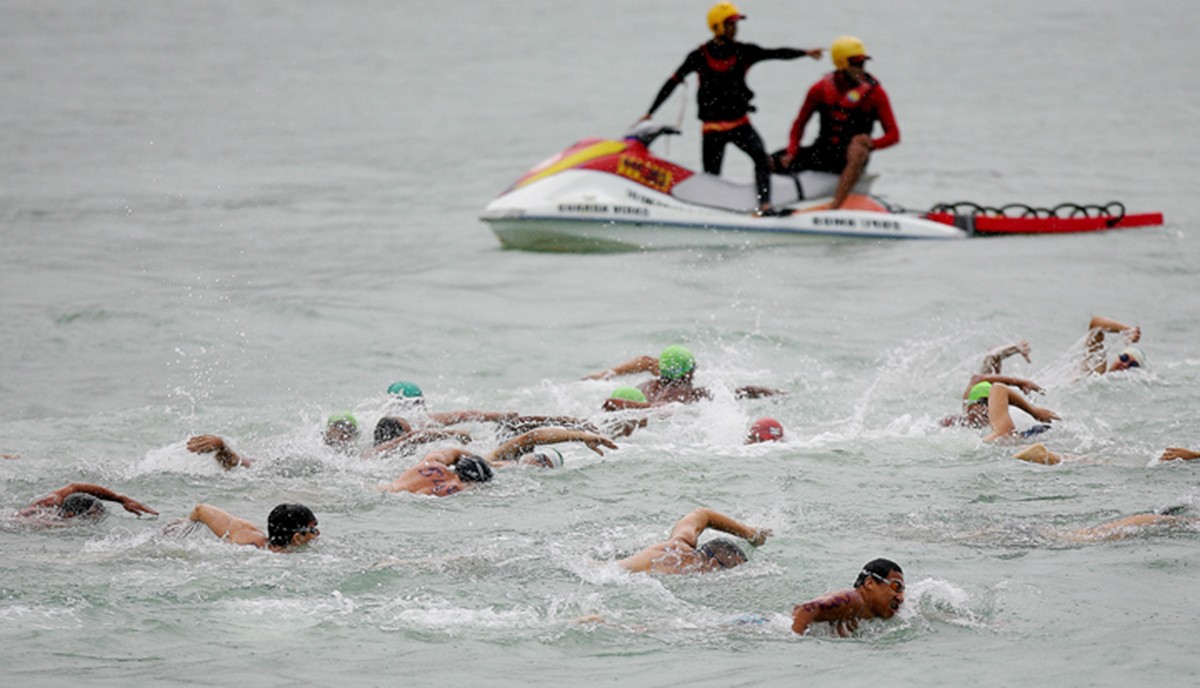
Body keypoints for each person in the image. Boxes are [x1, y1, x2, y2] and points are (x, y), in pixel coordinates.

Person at [641, 3, 823, 215]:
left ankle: (764, 205)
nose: (735, 28)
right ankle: (711, 212)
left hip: (740, 125)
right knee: (711, 176)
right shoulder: (699, 56)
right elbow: (672, 82)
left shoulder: (743, 52)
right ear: (717, 27)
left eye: (735, 24)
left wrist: (805, 53)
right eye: (730, 24)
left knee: (761, 158)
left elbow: (774, 53)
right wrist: (650, 112)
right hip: (712, 130)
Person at [774, 35, 900, 209]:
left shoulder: (876, 94)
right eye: (856, 63)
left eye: (863, 63)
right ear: (842, 64)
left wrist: (871, 143)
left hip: (851, 158)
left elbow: (894, 135)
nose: (861, 68)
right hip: (824, 153)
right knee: (770, 160)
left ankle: (836, 206)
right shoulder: (819, 90)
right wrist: (792, 150)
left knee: (858, 149)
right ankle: (767, 206)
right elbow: (799, 124)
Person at [379, 427, 618, 496]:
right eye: (538, 455)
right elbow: (531, 436)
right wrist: (580, 435)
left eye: (544, 463)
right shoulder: (489, 463)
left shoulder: (510, 472)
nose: (536, 461)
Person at [584, 344, 784, 405]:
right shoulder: (693, 395)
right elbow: (741, 392)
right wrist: (773, 393)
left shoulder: (644, 386)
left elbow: (645, 360)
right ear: (690, 372)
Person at [617, 507, 770, 574]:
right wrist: (749, 532)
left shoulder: (679, 544)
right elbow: (704, 514)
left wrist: (750, 534)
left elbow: (703, 514)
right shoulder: (676, 571)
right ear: (714, 564)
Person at [941, 340, 1044, 430]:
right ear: (971, 406)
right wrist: (1020, 383)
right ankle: (1007, 351)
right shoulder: (960, 418)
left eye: (988, 405)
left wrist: (1022, 383)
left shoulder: (993, 413)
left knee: (991, 364)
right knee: (990, 363)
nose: (985, 409)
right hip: (982, 386)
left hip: (988, 387)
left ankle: (1010, 349)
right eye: (981, 403)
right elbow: (976, 378)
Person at [791, 558, 905, 636]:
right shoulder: (852, 599)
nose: (900, 598)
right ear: (870, 583)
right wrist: (796, 644)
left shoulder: (870, 610)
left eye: (903, 591)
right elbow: (804, 610)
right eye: (896, 586)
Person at [184, 503, 319, 551]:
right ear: (296, 538)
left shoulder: (247, 538)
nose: (318, 533)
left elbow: (201, 510)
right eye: (312, 530)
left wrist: (183, 527)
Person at [17, 483, 158, 521]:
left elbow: (74, 487)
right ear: (71, 515)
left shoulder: (58, 501)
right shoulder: (48, 520)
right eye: (91, 518)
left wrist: (121, 499)